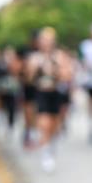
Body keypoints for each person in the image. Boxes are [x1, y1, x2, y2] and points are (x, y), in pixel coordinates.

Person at [25, 27, 73, 173]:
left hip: (56, 93)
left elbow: (68, 75)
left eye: (48, 41)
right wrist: (33, 70)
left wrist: (56, 71)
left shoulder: (60, 56)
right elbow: (28, 78)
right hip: (42, 93)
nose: (45, 43)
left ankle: (51, 146)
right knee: (44, 123)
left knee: (54, 125)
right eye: (43, 40)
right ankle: (46, 153)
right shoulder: (34, 58)